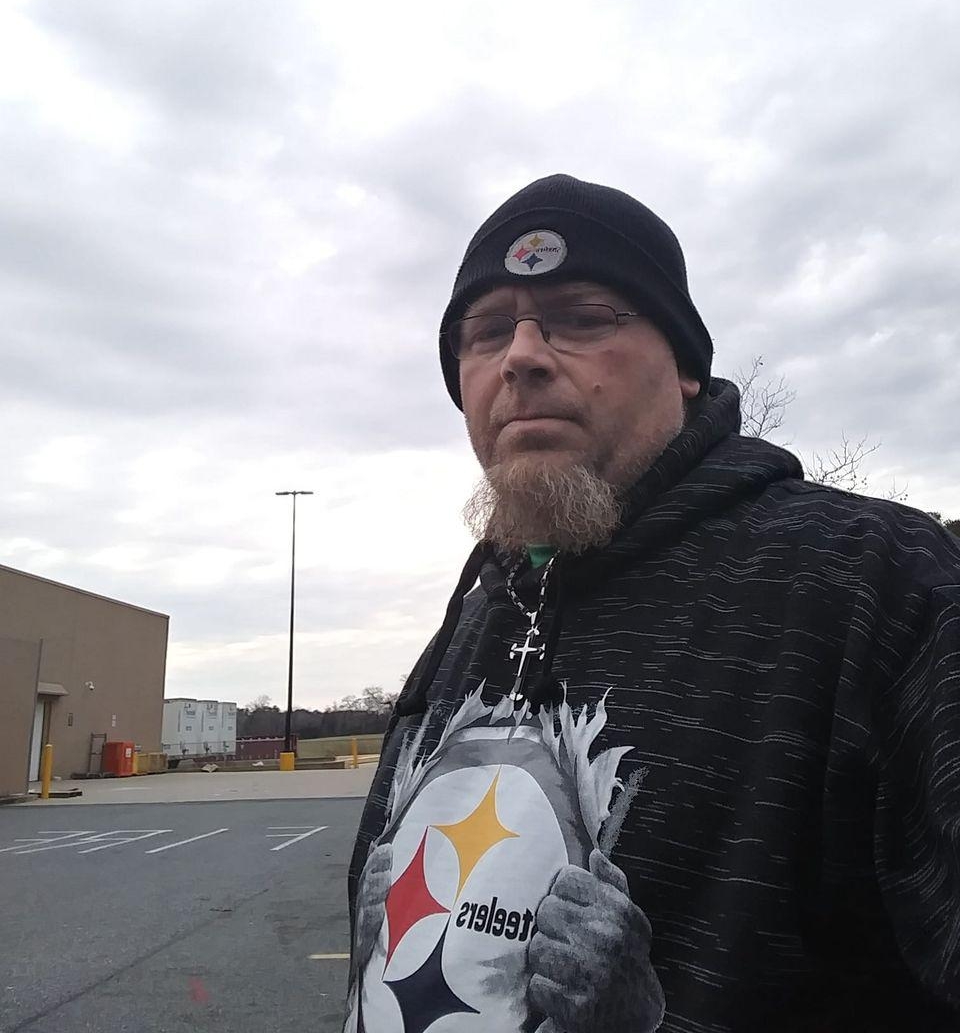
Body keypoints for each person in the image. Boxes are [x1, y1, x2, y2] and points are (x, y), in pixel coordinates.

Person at [343, 173, 960, 1033]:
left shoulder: (875, 584)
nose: (520, 356)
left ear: (686, 369)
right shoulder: (479, 611)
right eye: (486, 332)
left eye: (581, 317)